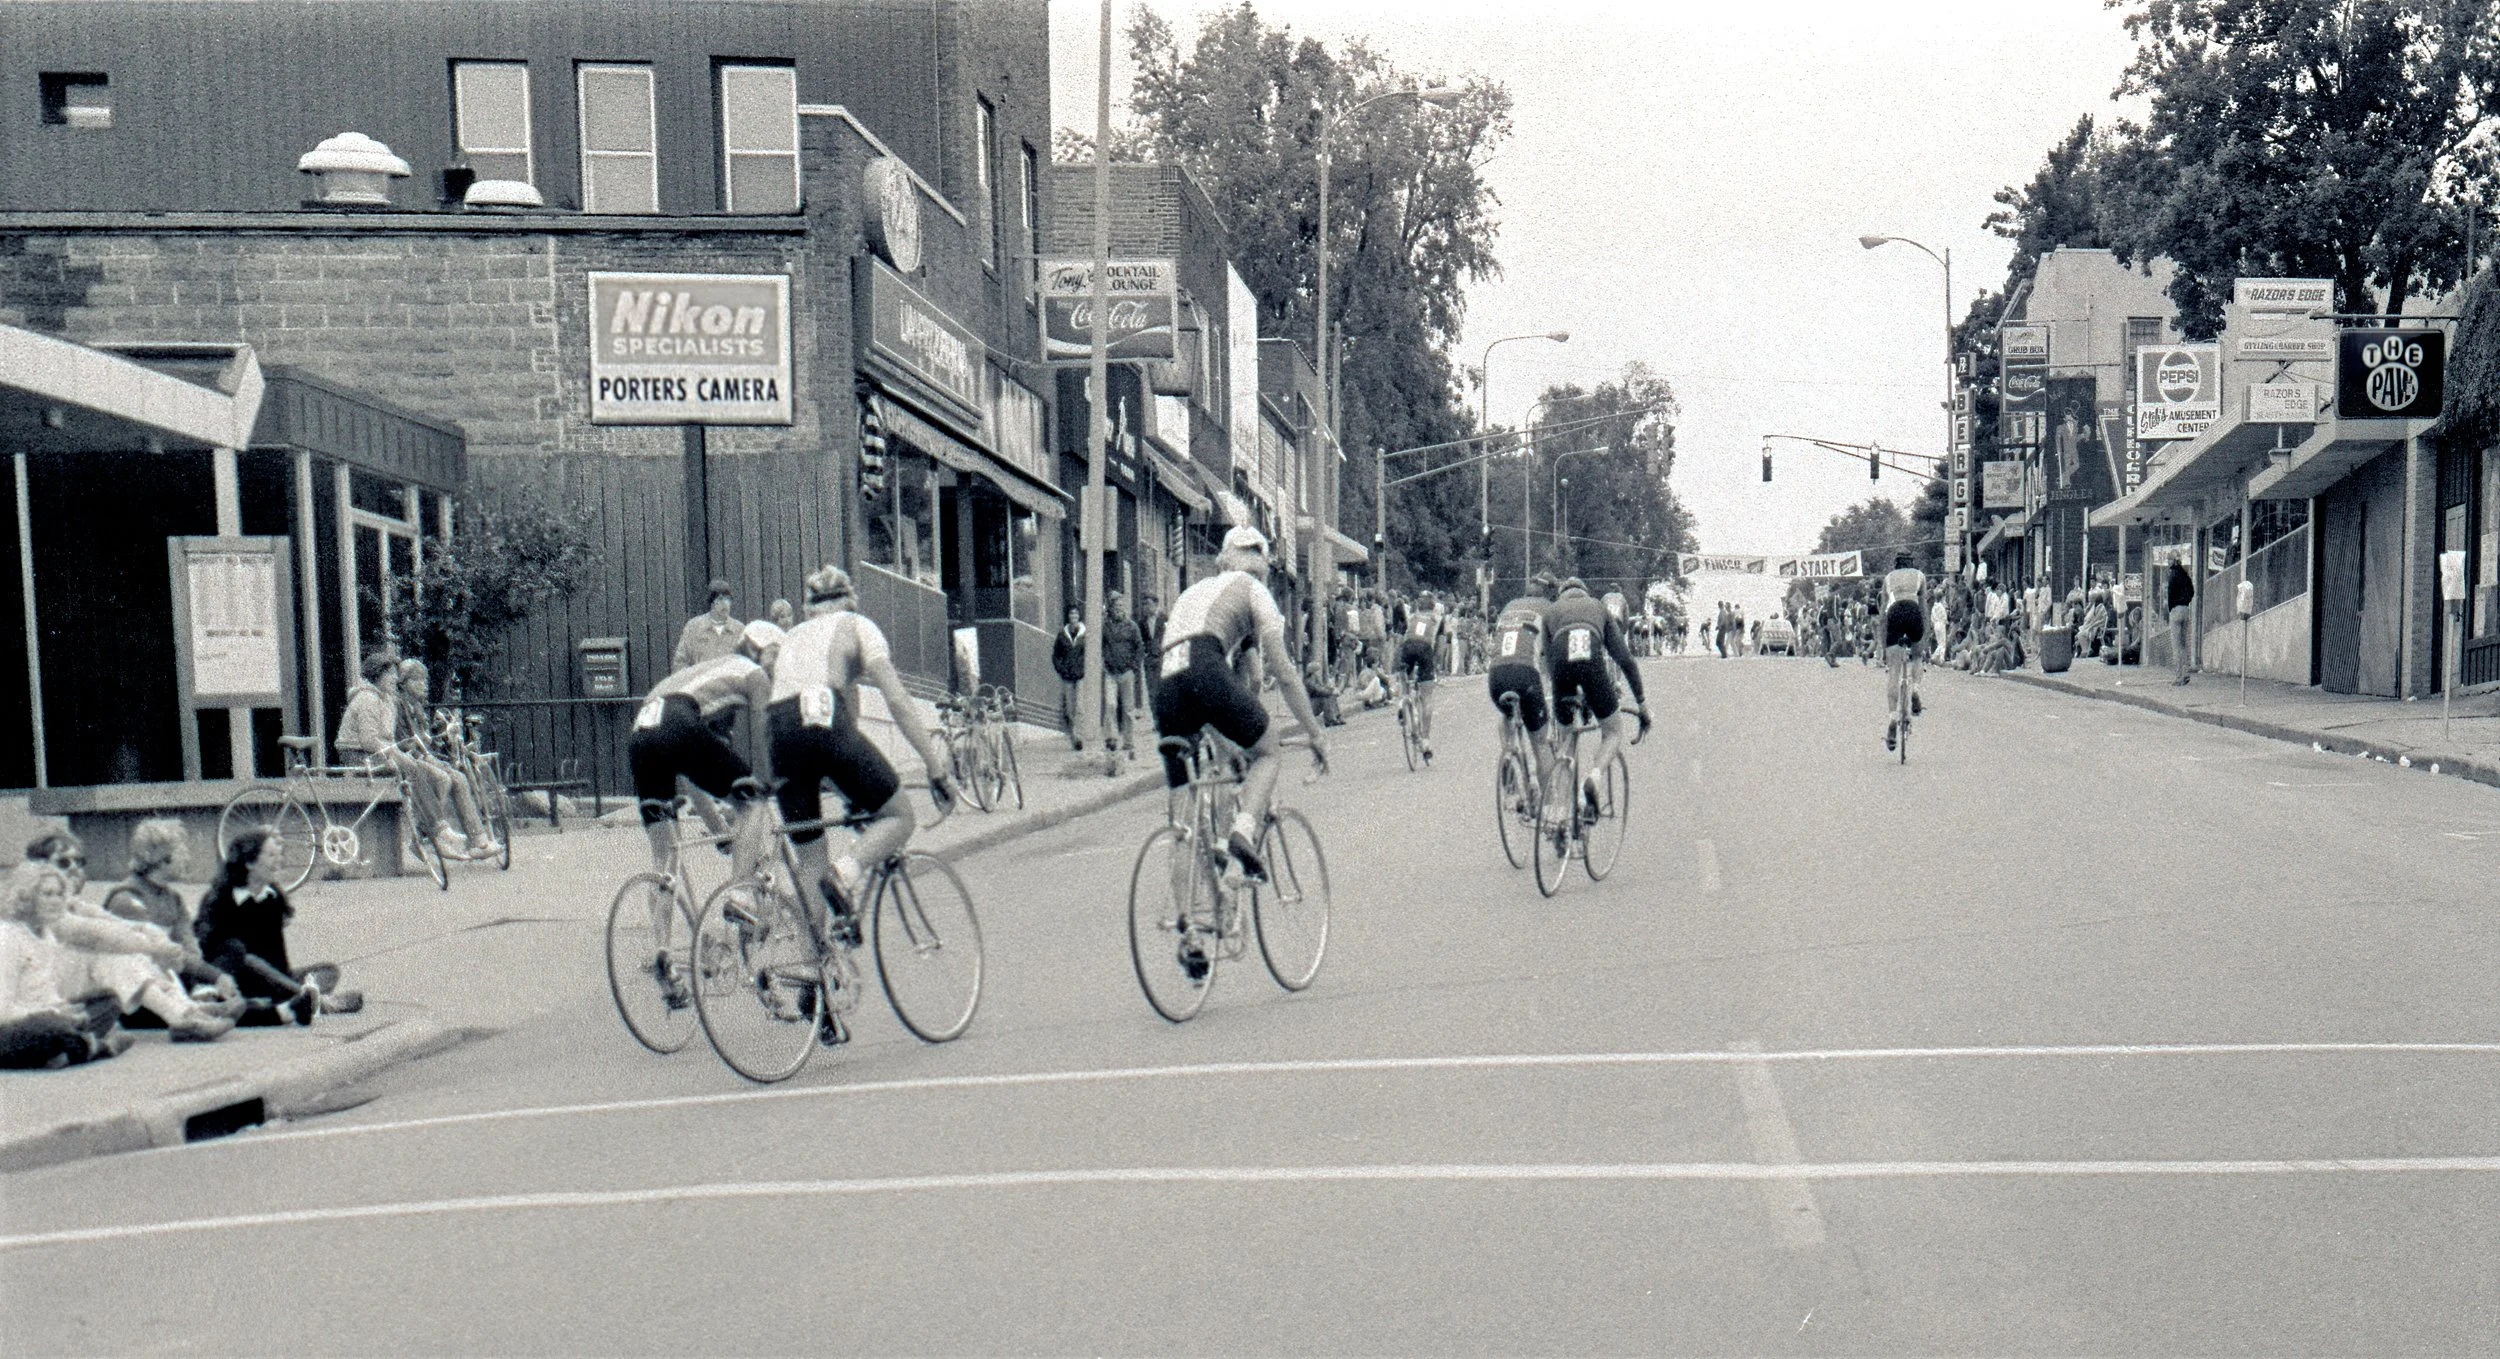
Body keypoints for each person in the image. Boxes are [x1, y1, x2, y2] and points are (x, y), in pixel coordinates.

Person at [766, 566, 957, 969]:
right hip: (822, 715)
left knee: (810, 860)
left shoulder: (794, 637)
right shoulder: (858, 625)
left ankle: (813, 980)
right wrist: (934, 764)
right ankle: (846, 873)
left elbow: (826, 724)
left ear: (808, 607)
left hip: (779, 728)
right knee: (900, 816)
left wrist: (850, 791)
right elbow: (897, 700)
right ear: (850, 600)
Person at [1151, 526, 1329, 915]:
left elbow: (1194, 679)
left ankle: (1190, 930)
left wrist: (1228, 739)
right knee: (1268, 752)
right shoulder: (1253, 590)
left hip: (1165, 685)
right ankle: (1241, 833)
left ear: (1223, 559)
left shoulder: (1193, 592)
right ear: (1263, 567)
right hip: (1205, 668)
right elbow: (1282, 673)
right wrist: (1315, 733)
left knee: (1183, 821)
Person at [628, 619, 781, 879]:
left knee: (664, 861)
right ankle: (740, 896)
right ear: (765, 652)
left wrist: (718, 829)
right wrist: (768, 781)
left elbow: (691, 775)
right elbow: (764, 736)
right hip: (676, 719)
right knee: (752, 802)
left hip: (642, 729)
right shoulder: (753, 674)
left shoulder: (708, 670)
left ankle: (659, 919)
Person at [337, 651, 499, 861]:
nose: (395, 679)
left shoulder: (385, 700)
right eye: (390, 674)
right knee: (414, 768)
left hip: (375, 752)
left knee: (419, 769)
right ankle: (437, 831)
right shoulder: (368, 698)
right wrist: (396, 752)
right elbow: (369, 740)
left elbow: (386, 737)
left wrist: (397, 751)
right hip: (357, 755)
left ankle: (437, 834)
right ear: (378, 675)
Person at [196, 830, 356, 1027]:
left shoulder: (272, 897)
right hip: (239, 977)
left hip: (277, 980)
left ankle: (303, 998)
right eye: (271, 855)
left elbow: (278, 955)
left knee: (329, 971)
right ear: (250, 863)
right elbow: (209, 950)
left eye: (278, 854)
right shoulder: (221, 899)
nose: (278, 861)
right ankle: (315, 1000)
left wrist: (283, 978)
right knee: (250, 960)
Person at [100, 818, 243, 1014]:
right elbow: (151, 956)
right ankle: (205, 1005)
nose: (187, 857)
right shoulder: (127, 899)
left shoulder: (173, 898)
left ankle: (201, 1000)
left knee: (232, 948)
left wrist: (210, 975)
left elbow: (188, 949)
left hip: (174, 972)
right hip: (141, 990)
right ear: (161, 858)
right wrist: (215, 976)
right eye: (181, 851)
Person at [1, 864, 133, 1067]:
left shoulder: (47, 936)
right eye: (47, 894)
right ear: (27, 897)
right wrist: (54, 1015)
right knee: (49, 1028)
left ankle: (62, 1051)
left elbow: (46, 993)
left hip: (47, 1017)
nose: (56, 901)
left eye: (60, 895)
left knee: (109, 1000)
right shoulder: (8, 937)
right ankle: (93, 1048)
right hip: (14, 1025)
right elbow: (4, 1010)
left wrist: (63, 1009)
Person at [1544, 577, 1647, 819]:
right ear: (1584, 592)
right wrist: (1642, 703)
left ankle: (1561, 819)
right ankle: (1593, 778)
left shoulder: (1551, 612)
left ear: (1562, 594)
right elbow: (1625, 660)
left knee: (1566, 739)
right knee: (1612, 731)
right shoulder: (1597, 607)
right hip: (1592, 665)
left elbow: (1549, 666)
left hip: (1561, 670)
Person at [1487, 571, 1559, 793]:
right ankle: (1547, 809)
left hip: (1496, 674)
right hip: (1525, 672)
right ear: (1550, 595)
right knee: (1540, 744)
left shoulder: (1510, 606)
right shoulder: (1549, 609)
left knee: (1507, 715)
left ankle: (1509, 753)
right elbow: (1553, 655)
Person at [1878, 554, 1929, 752]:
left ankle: (1892, 718)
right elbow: (1924, 607)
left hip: (1895, 612)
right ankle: (1915, 689)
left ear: (1896, 565)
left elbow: (1882, 613)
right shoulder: (1919, 576)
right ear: (1911, 564)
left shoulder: (1889, 578)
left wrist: (1883, 646)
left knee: (1894, 671)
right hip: (1913, 611)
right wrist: (1924, 636)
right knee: (1916, 656)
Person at [1394, 589, 1445, 763]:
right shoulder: (1438, 618)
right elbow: (1441, 645)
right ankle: (1425, 739)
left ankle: (1403, 701)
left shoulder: (1412, 616)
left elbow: (1402, 639)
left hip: (1408, 647)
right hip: (1425, 649)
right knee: (1427, 696)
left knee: (1405, 683)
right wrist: (1437, 664)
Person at [1102, 592, 1144, 759]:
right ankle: (1111, 738)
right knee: (1111, 705)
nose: (1119, 609)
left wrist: (1133, 667)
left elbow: (1140, 647)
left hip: (1126, 672)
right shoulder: (1105, 626)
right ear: (1111, 608)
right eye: (1116, 606)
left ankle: (1128, 741)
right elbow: (1098, 644)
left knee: (1128, 709)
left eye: (1121, 606)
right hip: (1110, 672)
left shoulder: (1131, 626)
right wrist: (1103, 663)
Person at [673, 578, 743, 670]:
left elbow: (748, 666)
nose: (725, 604)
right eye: (720, 599)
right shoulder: (694, 627)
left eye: (728, 599)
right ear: (711, 602)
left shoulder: (739, 630)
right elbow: (680, 662)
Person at [1052, 605, 1087, 749]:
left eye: (1076, 614)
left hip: (1080, 675)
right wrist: (1061, 669)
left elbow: (1089, 654)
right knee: (1069, 709)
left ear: (1079, 616)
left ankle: (1079, 737)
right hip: (1066, 675)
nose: (1074, 616)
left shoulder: (1085, 633)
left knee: (1079, 707)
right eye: (1071, 614)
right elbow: (1055, 655)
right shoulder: (1062, 635)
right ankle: (1073, 736)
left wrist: (1084, 668)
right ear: (1068, 616)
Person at [2166, 558, 2196, 685]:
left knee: (2176, 645)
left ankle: (2178, 676)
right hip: (2185, 609)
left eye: (2169, 560)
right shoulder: (2185, 574)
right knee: (2184, 644)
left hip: (2176, 610)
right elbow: (2192, 591)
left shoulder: (2172, 575)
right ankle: (2186, 672)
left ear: (2173, 561)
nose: (2167, 562)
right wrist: (2186, 600)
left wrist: (2171, 608)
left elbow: (2170, 593)